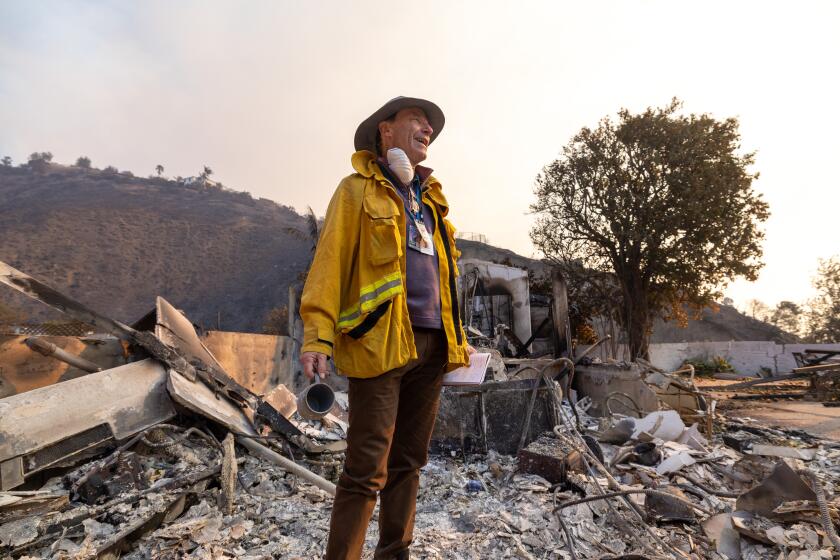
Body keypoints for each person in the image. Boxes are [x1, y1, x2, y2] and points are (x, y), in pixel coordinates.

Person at [299, 96, 473, 559]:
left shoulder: (432, 203)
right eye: (417, 120)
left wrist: (460, 341)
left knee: (409, 464)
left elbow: (447, 281)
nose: (427, 129)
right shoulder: (357, 190)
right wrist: (317, 334)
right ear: (386, 130)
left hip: (433, 347)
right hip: (379, 345)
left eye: (430, 125)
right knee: (365, 470)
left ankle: (395, 554)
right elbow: (329, 265)